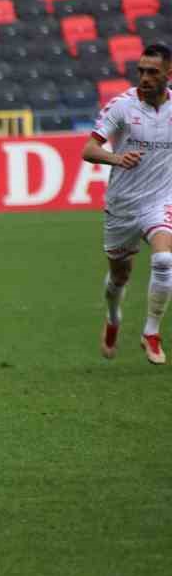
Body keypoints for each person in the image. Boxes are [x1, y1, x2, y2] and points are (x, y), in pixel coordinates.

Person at [82, 43, 172, 365]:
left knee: (164, 261)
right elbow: (89, 150)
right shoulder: (122, 106)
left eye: (152, 72)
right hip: (122, 206)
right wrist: (118, 158)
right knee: (119, 277)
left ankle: (151, 331)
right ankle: (113, 317)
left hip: (160, 201)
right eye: (141, 71)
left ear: (168, 74)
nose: (145, 78)